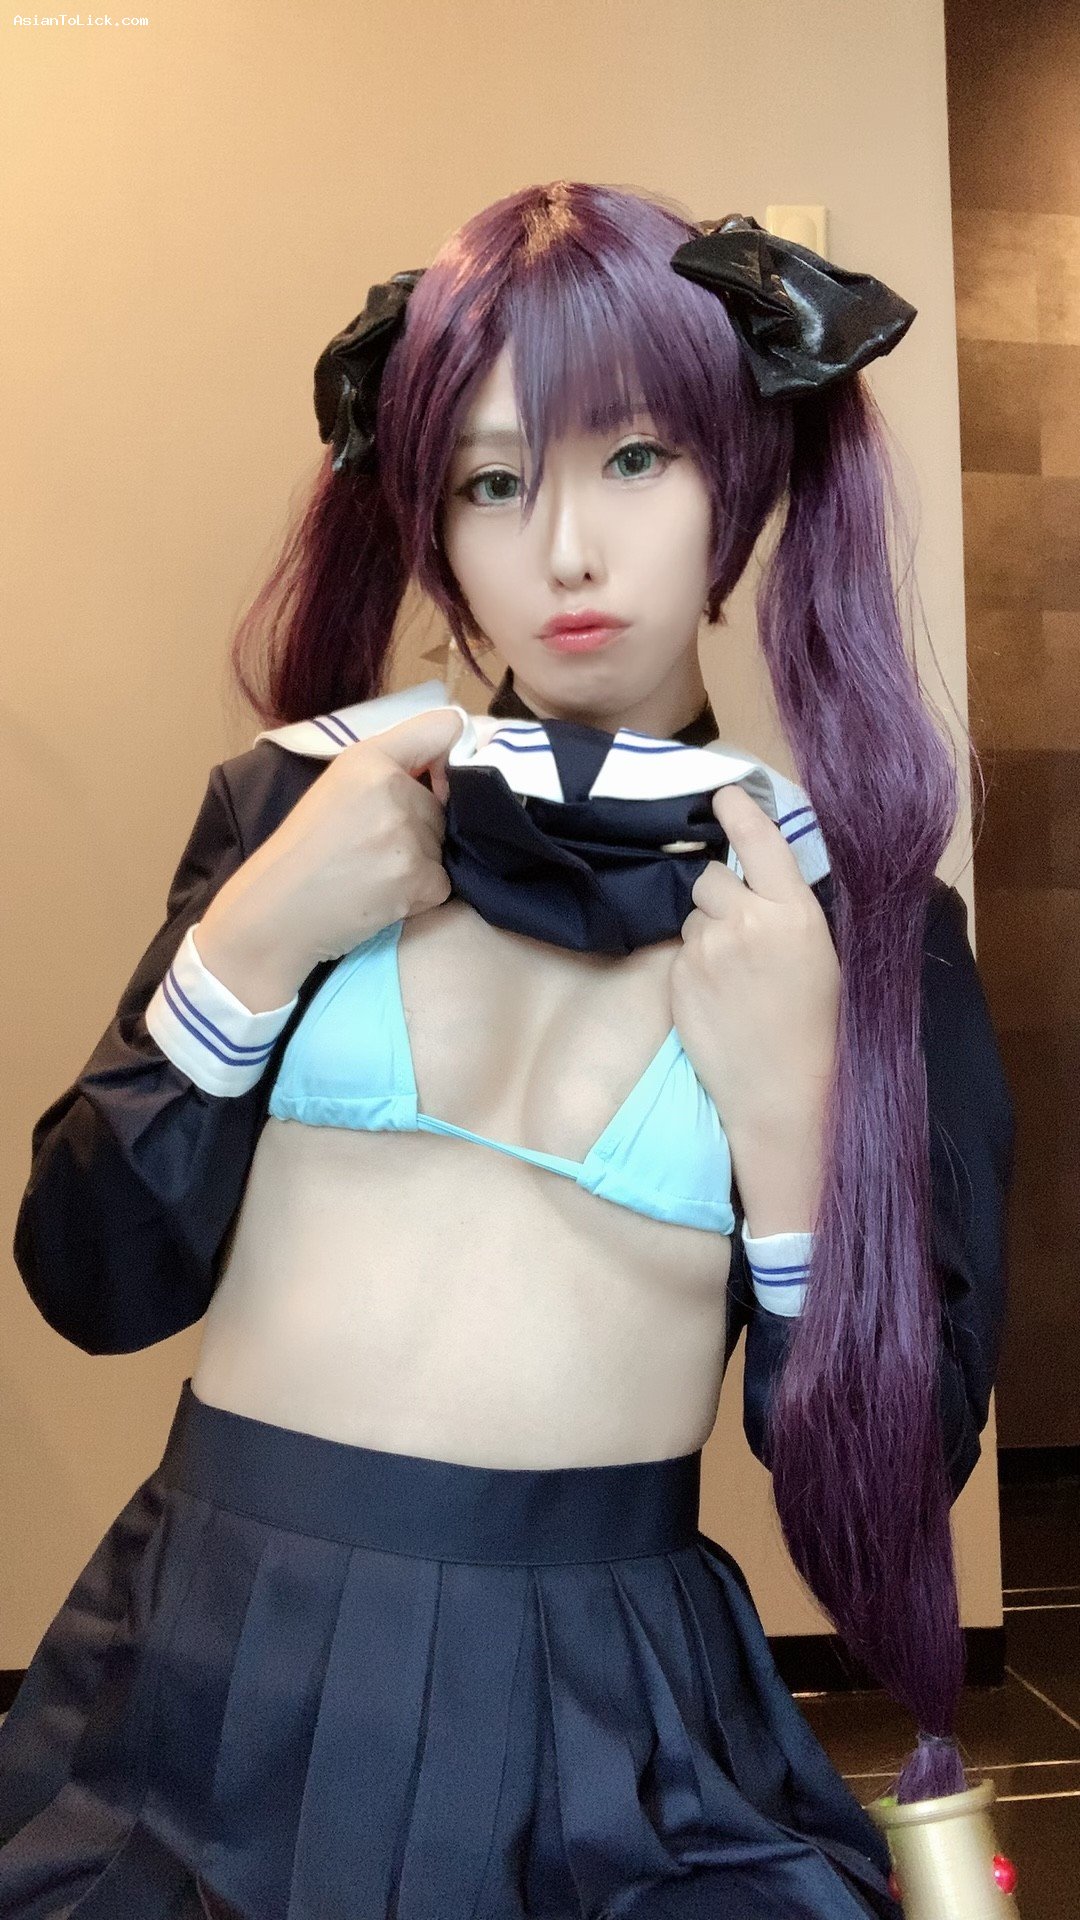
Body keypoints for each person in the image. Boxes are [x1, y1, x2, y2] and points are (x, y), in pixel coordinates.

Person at [0, 181, 1014, 1920]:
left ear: (740, 475)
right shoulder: (296, 811)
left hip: (605, 1726)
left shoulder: (862, 929)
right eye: (492, 481)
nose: (565, 552)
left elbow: (883, 1512)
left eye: (636, 459)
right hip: (202, 1676)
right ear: (430, 520)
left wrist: (794, 1128)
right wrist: (251, 941)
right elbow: (89, 1280)